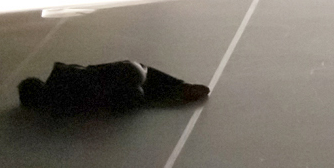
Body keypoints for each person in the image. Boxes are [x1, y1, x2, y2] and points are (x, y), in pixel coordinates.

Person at [18, 61, 210, 115]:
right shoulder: (61, 71)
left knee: (143, 95)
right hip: (130, 69)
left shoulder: (56, 108)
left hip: (128, 97)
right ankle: (180, 86)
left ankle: (168, 95)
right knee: (143, 71)